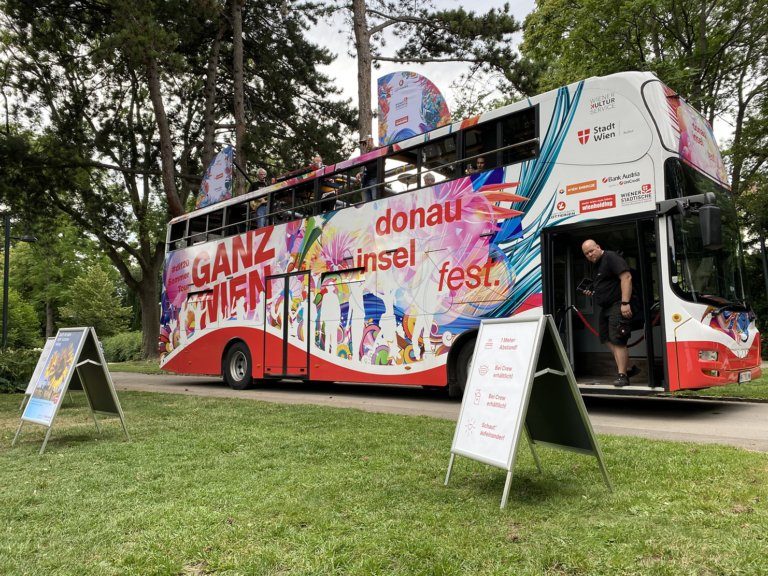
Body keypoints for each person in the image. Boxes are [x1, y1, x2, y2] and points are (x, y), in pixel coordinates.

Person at [581, 239, 640, 387]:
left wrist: (625, 303)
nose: (589, 254)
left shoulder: (611, 257)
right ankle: (629, 367)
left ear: (598, 246)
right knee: (605, 338)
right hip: (605, 307)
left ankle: (623, 376)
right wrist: (593, 291)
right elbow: (605, 285)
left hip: (618, 304)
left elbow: (626, 277)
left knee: (617, 339)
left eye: (591, 250)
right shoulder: (595, 266)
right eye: (586, 253)